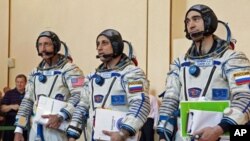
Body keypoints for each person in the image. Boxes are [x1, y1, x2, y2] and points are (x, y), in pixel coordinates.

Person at [157, 4, 250, 141]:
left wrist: (219, 129)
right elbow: (170, 101)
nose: (191, 25)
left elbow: (245, 97)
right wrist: (163, 135)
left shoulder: (232, 58)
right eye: (187, 21)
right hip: (184, 137)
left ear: (208, 21)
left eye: (196, 19)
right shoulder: (179, 63)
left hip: (221, 134)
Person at [66, 29, 150, 141]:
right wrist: (72, 135)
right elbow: (82, 107)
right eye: (97, 44)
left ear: (116, 46)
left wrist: (123, 132)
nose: (99, 48)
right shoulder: (91, 78)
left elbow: (141, 103)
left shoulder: (131, 73)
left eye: (104, 43)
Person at [14, 31, 85, 141]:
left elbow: (80, 95)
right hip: (35, 130)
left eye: (47, 44)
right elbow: (27, 102)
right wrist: (19, 129)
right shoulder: (34, 73)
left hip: (58, 129)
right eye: (40, 45)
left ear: (56, 46)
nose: (43, 48)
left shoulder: (70, 70)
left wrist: (61, 115)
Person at [1, 74, 28, 141]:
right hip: (10, 122)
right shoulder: (9, 93)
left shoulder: (28, 94)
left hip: (24, 122)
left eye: (21, 82)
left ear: (25, 83)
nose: (19, 84)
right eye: (17, 82)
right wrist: (11, 106)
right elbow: (2, 108)